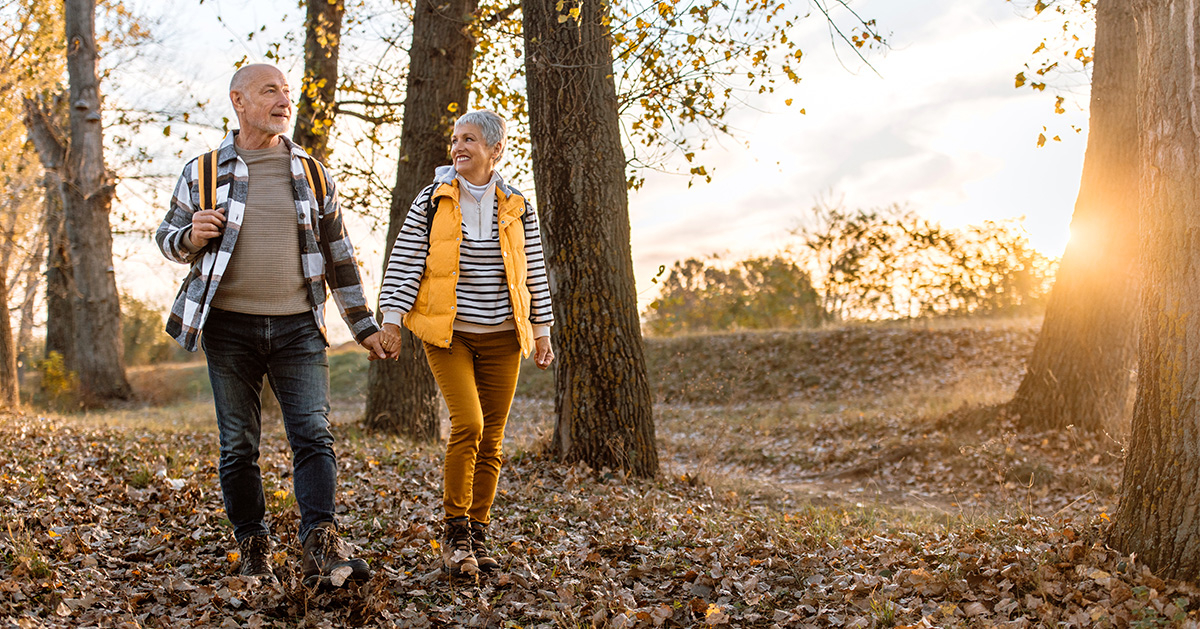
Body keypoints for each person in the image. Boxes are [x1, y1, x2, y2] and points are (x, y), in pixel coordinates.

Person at [155, 63, 392, 588]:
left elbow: (340, 256)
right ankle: (254, 542)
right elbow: (166, 238)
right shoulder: (203, 171)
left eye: (287, 91)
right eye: (271, 91)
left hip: (298, 328)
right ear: (238, 100)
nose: (284, 100)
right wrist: (190, 237)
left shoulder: (311, 171)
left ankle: (321, 544)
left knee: (313, 432)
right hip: (229, 329)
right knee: (239, 442)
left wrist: (363, 326)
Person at [377, 109, 555, 578]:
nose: (458, 147)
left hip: (503, 337)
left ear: (495, 149)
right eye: (455, 139)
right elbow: (406, 259)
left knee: (492, 440)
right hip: (448, 334)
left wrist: (542, 332)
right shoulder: (433, 199)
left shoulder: (518, 204)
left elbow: (533, 269)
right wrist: (391, 320)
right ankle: (454, 532)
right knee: (469, 425)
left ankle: (477, 534)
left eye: (469, 139)